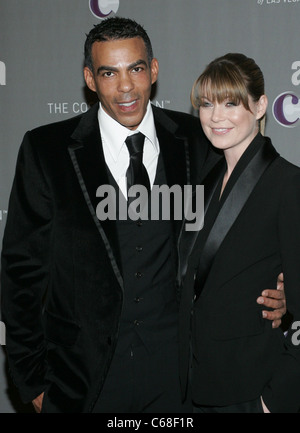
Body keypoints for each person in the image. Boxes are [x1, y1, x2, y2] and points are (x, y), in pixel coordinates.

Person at [1, 19, 285, 413]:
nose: (125, 88)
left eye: (135, 69)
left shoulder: (200, 139)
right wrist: (32, 383)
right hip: (82, 384)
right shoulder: (46, 150)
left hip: (180, 379)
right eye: (108, 73)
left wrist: (280, 287)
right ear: (89, 78)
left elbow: (242, 228)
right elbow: (20, 275)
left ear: (153, 69)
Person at [179, 53, 300, 413]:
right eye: (206, 104)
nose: (216, 116)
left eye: (231, 102)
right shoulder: (205, 182)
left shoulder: (288, 184)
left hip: (248, 390)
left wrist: (272, 401)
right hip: (193, 385)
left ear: (261, 106)